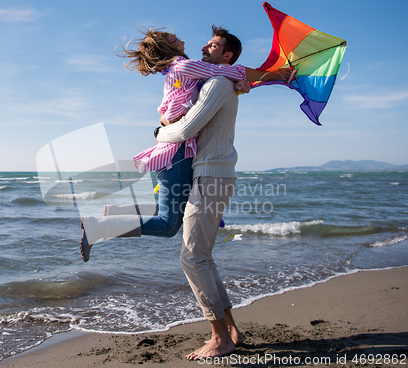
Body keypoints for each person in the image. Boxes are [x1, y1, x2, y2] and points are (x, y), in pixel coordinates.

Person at [155, 26, 293, 360]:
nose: (204, 46)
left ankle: (220, 338)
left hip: (211, 175)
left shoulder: (217, 83)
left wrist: (160, 133)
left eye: (213, 45)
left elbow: (187, 129)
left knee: (192, 257)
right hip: (212, 174)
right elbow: (240, 81)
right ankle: (231, 330)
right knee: (202, 256)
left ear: (226, 55)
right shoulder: (218, 81)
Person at [79, 28, 251, 262]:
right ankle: (98, 227)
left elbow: (216, 82)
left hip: (177, 154)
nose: (182, 39)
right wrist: (270, 76)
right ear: (169, 47)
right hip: (177, 153)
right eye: (173, 39)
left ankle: (112, 215)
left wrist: (243, 83)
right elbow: (218, 76)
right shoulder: (185, 68)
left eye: (211, 45)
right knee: (169, 225)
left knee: (172, 211)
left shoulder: (189, 74)